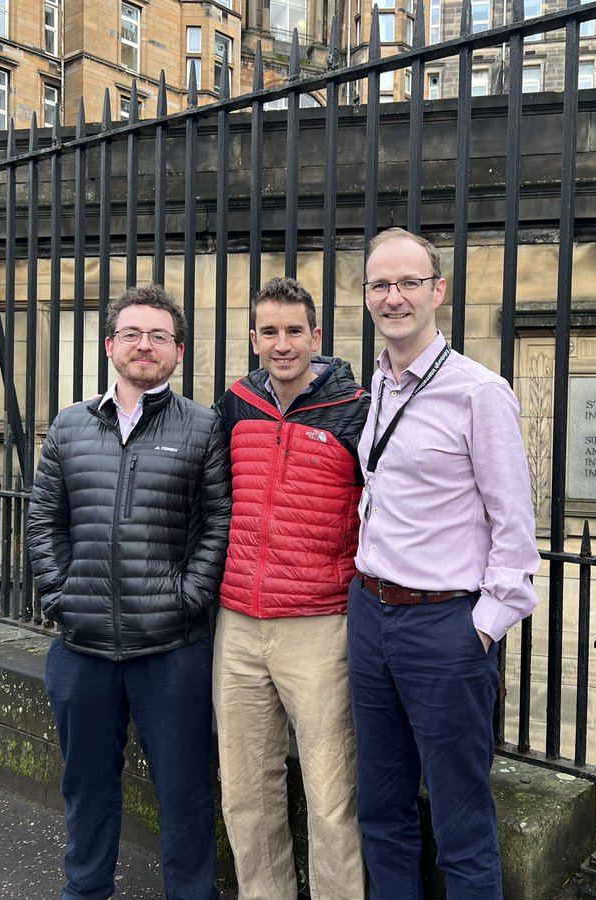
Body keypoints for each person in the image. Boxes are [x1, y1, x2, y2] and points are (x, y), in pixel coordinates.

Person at [349, 228, 541, 900]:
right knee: (382, 809)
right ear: (366, 295)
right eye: (380, 284)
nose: (392, 297)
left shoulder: (478, 393)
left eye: (407, 283)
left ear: (439, 291)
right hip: (369, 616)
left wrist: (480, 629)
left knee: (461, 825)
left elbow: (516, 533)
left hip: (444, 630)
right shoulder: (373, 383)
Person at [26, 284, 230, 900]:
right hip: (81, 647)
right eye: (134, 334)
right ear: (111, 344)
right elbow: (44, 522)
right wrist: (60, 596)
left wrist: (185, 599)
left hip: (172, 650)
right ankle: (85, 892)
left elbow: (219, 524)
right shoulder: (69, 426)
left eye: (159, 336)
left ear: (178, 351)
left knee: (186, 792)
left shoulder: (203, 427)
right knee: (86, 789)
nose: (146, 346)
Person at [211, 276, 368, 900]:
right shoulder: (236, 403)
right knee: (245, 789)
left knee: (332, 796)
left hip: (319, 621)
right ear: (254, 338)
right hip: (239, 621)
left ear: (316, 336)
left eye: (294, 331)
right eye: (269, 332)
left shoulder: (355, 406)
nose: (282, 344)